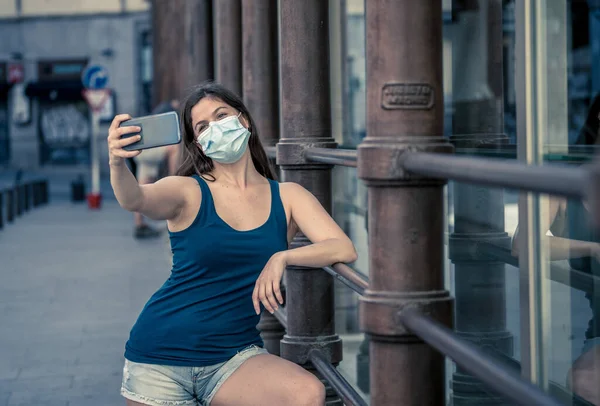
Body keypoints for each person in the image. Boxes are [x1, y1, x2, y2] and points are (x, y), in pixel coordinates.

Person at [107, 82, 357, 406]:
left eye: (221, 115)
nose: (215, 127)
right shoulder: (187, 191)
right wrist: (116, 162)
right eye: (202, 126)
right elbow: (135, 198)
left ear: (244, 121)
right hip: (161, 357)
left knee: (308, 393)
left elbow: (342, 247)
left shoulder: (288, 197)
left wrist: (282, 257)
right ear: (198, 144)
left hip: (233, 358)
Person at [131, 99, 181, 239]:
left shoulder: (158, 111)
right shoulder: (167, 110)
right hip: (147, 151)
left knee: (141, 187)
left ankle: (139, 225)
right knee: (174, 149)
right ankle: (174, 177)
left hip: (143, 152)